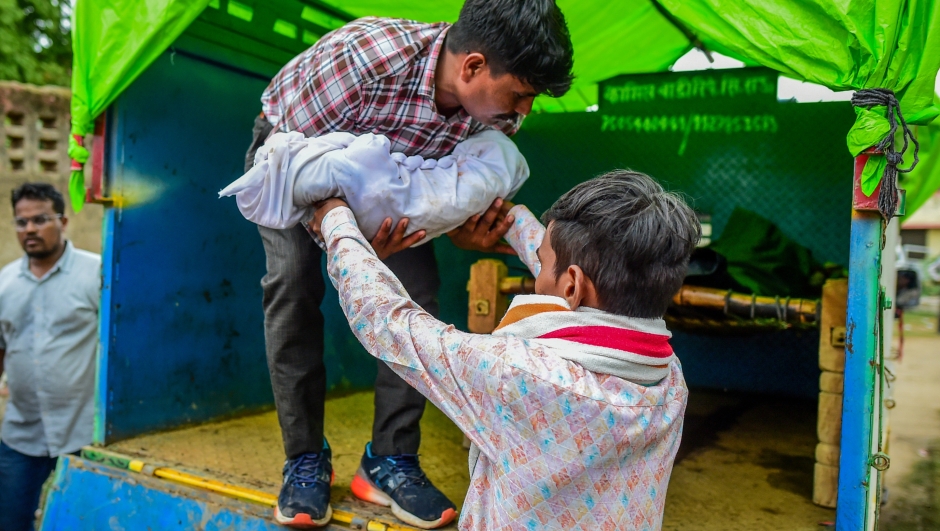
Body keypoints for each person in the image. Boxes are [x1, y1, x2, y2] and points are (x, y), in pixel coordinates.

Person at [247, 0, 574, 527]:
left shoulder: (492, 114)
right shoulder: (363, 59)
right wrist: (351, 242)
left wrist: (466, 232)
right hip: (292, 162)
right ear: (471, 67)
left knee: (416, 296)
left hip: (394, 184)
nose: (523, 112)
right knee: (292, 284)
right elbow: (291, 166)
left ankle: (389, 459)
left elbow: (445, 194)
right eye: (521, 94)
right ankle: (304, 458)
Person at [308, 170, 700, 530]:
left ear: (572, 284)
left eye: (544, 265)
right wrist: (512, 220)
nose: (538, 273)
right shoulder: (670, 378)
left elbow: (385, 320)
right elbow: (583, 290)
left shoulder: (519, 376)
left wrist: (336, 221)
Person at [0, 184, 100, 531]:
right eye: (21, 222)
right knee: (10, 521)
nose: (29, 229)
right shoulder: (4, 282)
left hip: (82, 435)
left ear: (63, 221)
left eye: (40, 219)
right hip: (20, 435)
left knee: (81, 523)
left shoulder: (96, 274)